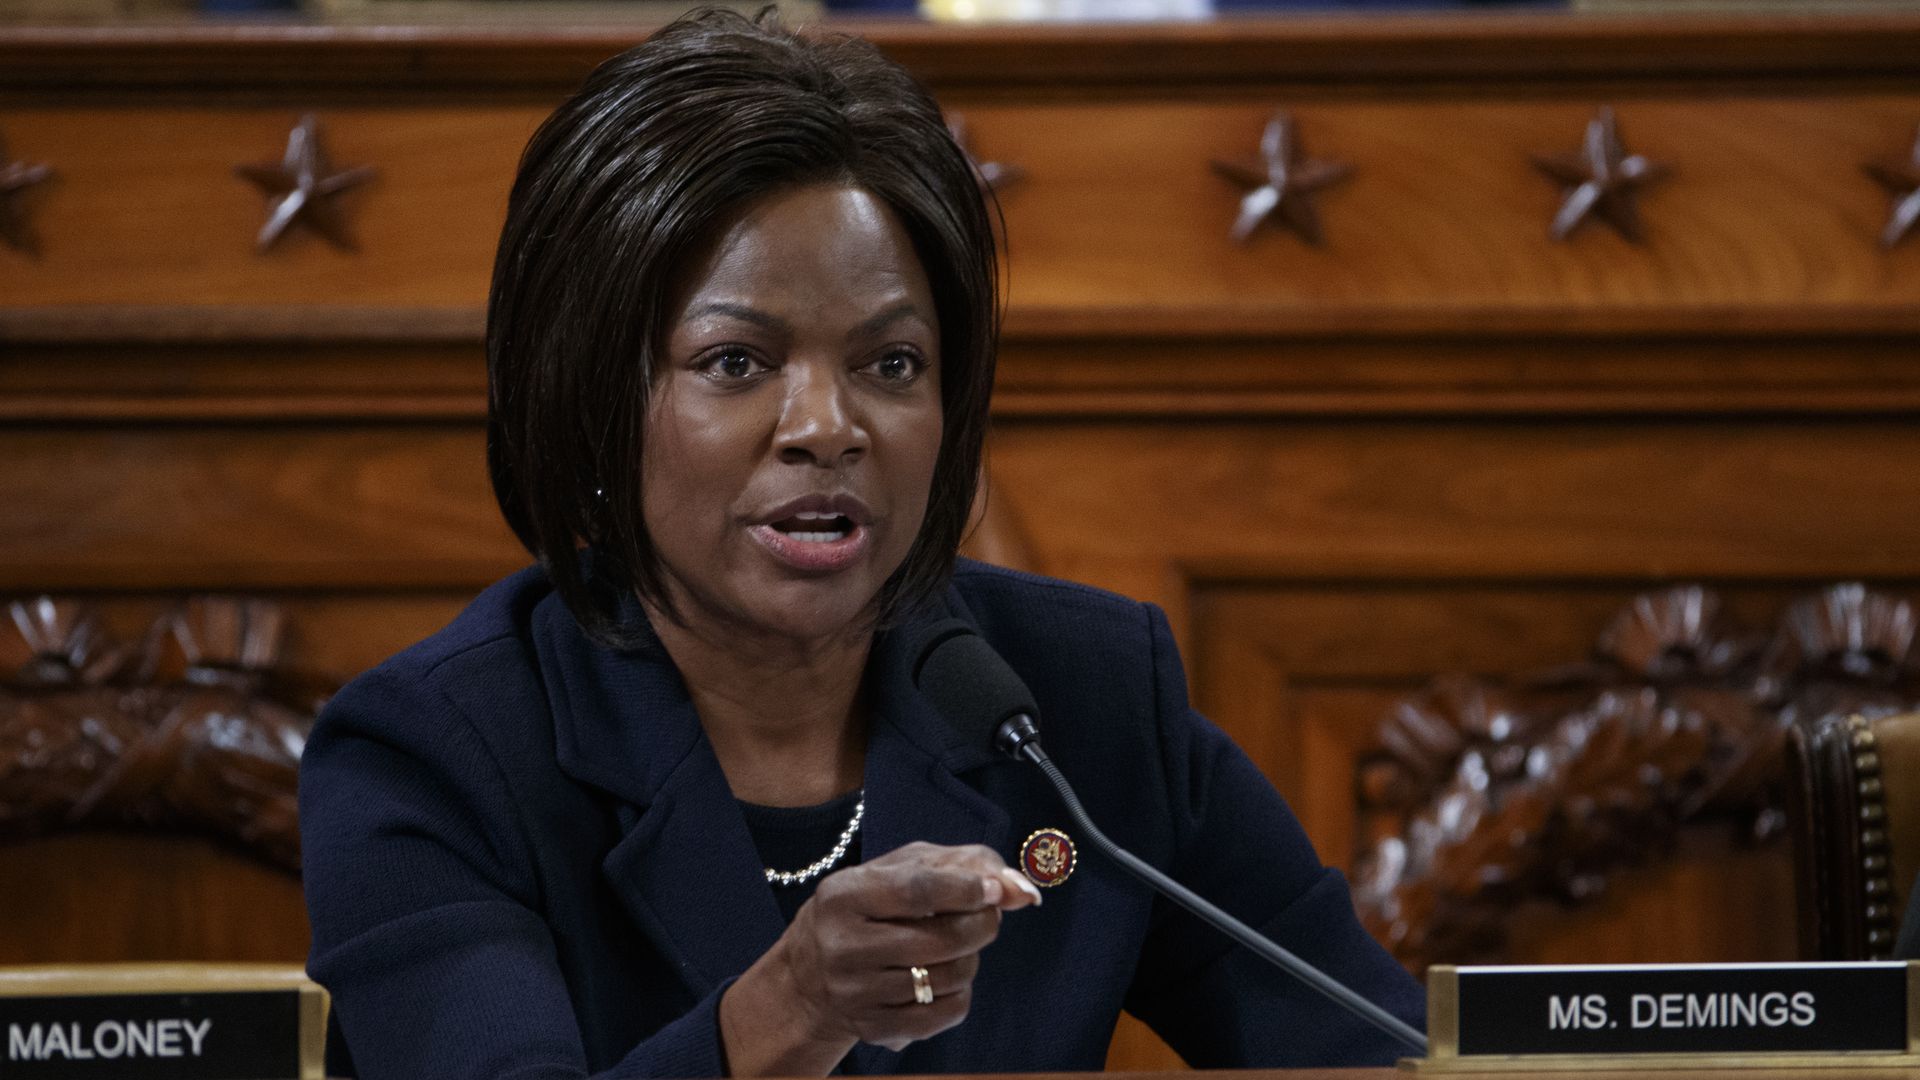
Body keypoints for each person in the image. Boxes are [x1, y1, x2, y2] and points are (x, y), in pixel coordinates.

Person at [296, 9, 1425, 1078]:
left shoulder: (1074, 704)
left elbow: (1378, 1049)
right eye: (738, 363)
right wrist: (789, 1012)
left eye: (891, 365)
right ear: (591, 402)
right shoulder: (438, 758)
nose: (829, 428)